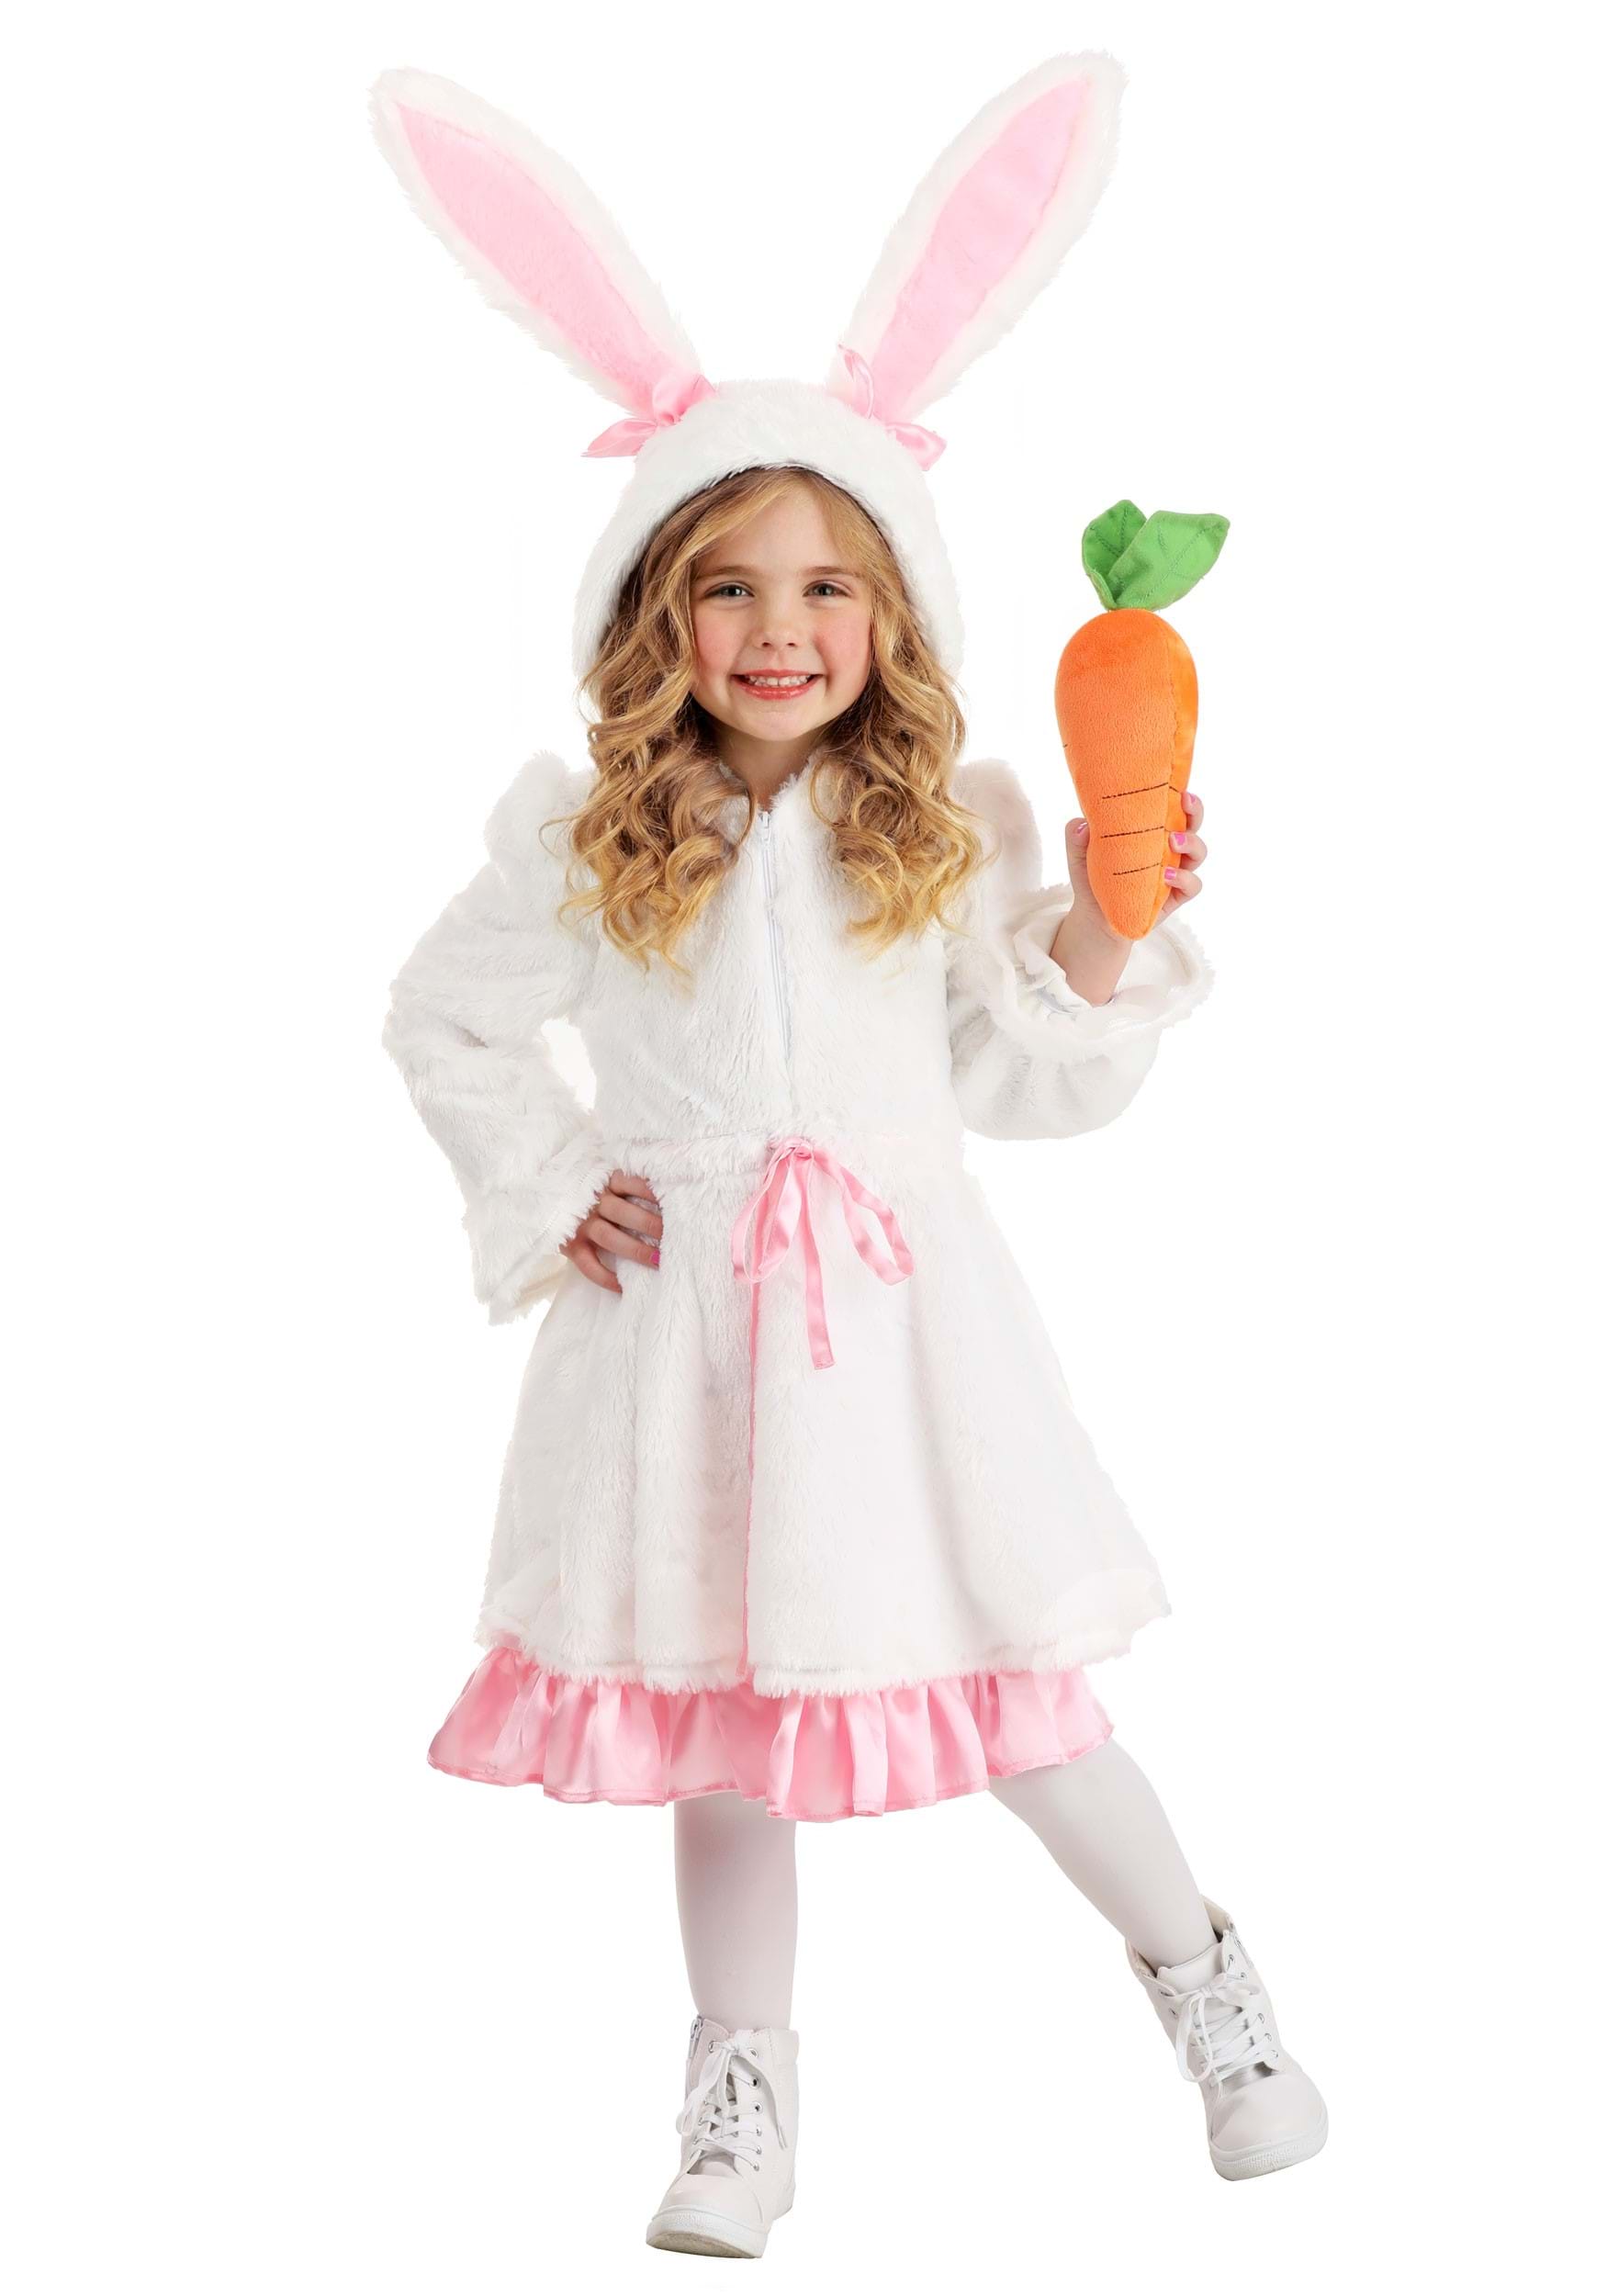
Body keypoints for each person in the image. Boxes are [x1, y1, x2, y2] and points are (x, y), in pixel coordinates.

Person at [372, 54, 1327, 2260]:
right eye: (725, 587)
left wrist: (1107, 919)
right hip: (678, 1337)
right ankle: (739, 2097)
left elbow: (1015, 1062)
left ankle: (1203, 1982)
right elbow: (439, 1013)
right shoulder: (588, 836)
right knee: (722, 1729)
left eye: (827, 583)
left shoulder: (949, 825)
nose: (780, 628)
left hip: (897, 1338)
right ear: (655, 617)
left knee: (1021, 1703)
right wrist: (550, 1186)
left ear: (893, 611)